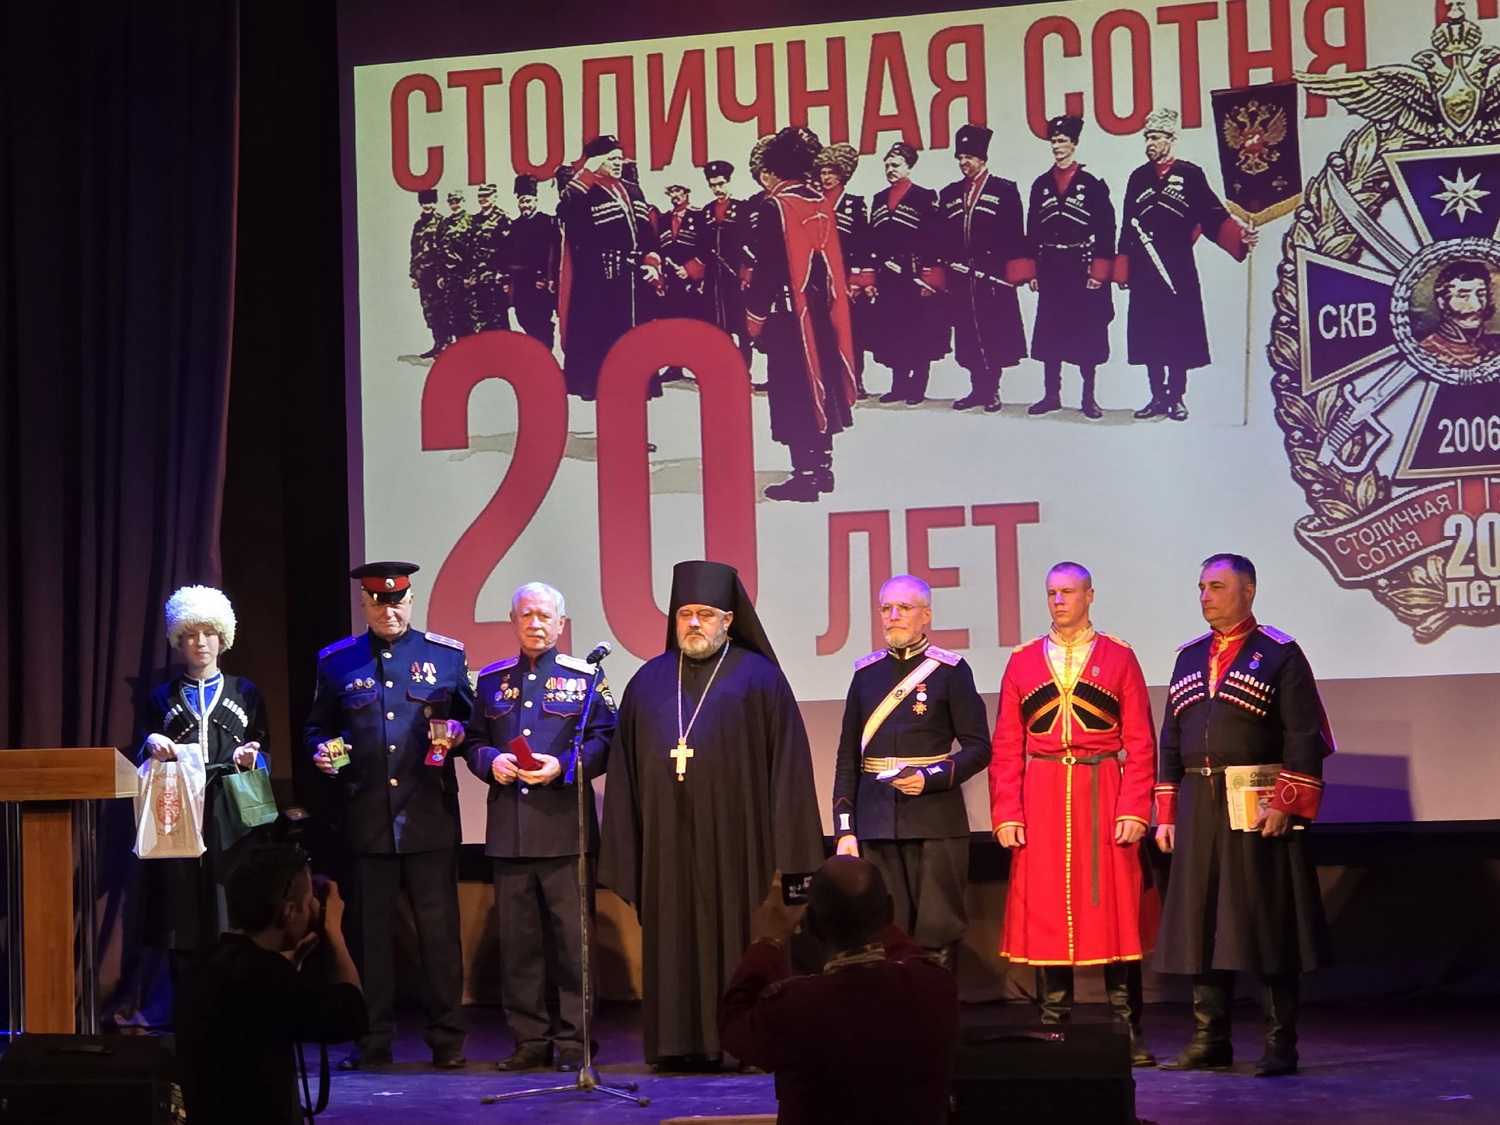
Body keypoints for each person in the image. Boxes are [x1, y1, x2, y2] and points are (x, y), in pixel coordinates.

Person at [598, 559, 823, 1069]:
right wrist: (628, 848)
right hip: (667, 845)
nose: (694, 623)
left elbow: (788, 768)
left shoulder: (760, 678)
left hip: (741, 848)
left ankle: (745, 1044)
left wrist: (791, 858)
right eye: (685, 614)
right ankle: (678, 1045)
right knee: (673, 943)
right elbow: (625, 773)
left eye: (704, 614)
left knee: (741, 939)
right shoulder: (647, 682)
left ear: (728, 619)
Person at [1154, 554, 1334, 1077]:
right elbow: (1171, 739)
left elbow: (1304, 734)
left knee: (1267, 920)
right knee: (1202, 920)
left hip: (1258, 802)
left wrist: (1287, 801)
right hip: (1199, 803)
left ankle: (1280, 1043)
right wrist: (1167, 812)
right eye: (1201, 587)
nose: (1205, 596)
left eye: (1216, 586)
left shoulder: (1279, 653)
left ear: (1248, 590)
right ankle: (1211, 1039)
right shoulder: (1189, 657)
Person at [304, 561, 475, 1070]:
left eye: (397, 602)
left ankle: (447, 1040)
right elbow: (317, 729)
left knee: (439, 938)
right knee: (370, 939)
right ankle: (373, 1039)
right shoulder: (338, 661)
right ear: (364, 604)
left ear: (411, 600)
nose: (389, 612)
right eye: (378, 604)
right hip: (367, 817)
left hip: (428, 816)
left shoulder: (445, 656)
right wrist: (321, 752)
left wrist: (459, 734)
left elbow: (473, 723)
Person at [989, 562, 1157, 1066]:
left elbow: (1141, 742)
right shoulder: (1022, 661)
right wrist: (1007, 812)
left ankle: (1127, 1030)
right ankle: (1054, 1029)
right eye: (1052, 593)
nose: (1058, 600)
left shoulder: (1119, 657)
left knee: (1114, 910)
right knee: (1045, 911)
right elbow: (1006, 744)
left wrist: (1135, 807)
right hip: (1040, 794)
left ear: (1089, 596)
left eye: (1067, 592)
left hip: (1101, 788)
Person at [463, 582, 616, 1072]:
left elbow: (606, 741)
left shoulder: (585, 677)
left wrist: (563, 766)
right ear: (513, 621)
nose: (535, 624)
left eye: (545, 616)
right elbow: (472, 741)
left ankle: (575, 1042)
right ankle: (529, 1040)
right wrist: (491, 761)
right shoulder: (491, 680)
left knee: (574, 947)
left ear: (561, 623)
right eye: (526, 615)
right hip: (509, 833)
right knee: (519, 948)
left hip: (566, 832)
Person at [719, 858, 960, 1125]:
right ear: (890, 911)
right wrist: (865, 907)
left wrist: (768, 940)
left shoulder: (793, 1008)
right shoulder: (935, 987)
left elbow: (733, 1023)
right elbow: (908, 952)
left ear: (811, 925)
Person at [830, 575, 990, 967]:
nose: (893, 616)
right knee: (886, 935)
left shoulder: (951, 671)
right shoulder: (865, 674)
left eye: (904, 607)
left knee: (938, 934)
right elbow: (848, 758)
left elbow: (979, 748)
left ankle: (936, 1007)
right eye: (886, 608)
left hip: (936, 821)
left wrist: (929, 778)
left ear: (926, 615)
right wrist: (845, 829)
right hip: (876, 821)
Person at [176, 842, 366, 1125]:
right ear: (289, 912)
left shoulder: (201, 965)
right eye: (309, 901)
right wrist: (335, 934)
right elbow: (350, 1017)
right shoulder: (266, 976)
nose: (313, 909)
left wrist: (293, 962)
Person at [137, 586, 271, 977]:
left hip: (231, 809)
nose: (200, 642)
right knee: (180, 904)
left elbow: (264, 745)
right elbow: (142, 750)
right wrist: (151, 744)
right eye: (192, 634)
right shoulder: (161, 697)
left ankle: (234, 992)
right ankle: (186, 998)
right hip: (178, 805)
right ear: (179, 640)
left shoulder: (246, 691)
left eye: (209, 633)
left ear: (222, 638)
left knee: (229, 897)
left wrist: (252, 758)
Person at [1116, 108, 1256, 421]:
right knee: (1149, 333)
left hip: (1178, 266)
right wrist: (1123, 268)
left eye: (1156, 138)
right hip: (1144, 268)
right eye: (1147, 138)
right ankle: (1156, 396)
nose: (1150, 143)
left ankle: (1176, 396)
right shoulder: (1138, 178)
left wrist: (1241, 236)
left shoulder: (1191, 175)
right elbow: (1127, 225)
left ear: (1170, 139)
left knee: (1178, 332)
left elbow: (1212, 215)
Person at [743, 126, 858, 503]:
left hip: (789, 318)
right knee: (822, 387)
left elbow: (768, 271)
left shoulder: (774, 205)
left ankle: (804, 477)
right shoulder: (819, 200)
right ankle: (823, 468)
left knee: (793, 392)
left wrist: (754, 318)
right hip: (821, 313)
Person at [1024, 116, 1117, 419]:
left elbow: (1107, 228)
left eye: (1062, 141)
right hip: (1051, 267)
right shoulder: (1041, 184)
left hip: (1082, 266)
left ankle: (1088, 397)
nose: (1057, 146)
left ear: (1074, 144)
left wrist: (1099, 271)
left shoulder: (1092, 184)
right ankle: (1051, 395)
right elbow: (1032, 229)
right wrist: (1032, 270)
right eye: (1053, 141)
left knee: (1087, 332)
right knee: (1051, 331)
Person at [557, 135, 663, 399]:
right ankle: (608, 403)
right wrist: (586, 173)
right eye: (611, 159)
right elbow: (565, 211)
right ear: (596, 161)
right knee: (604, 347)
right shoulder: (584, 191)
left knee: (637, 343)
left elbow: (647, 232)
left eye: (619, 158)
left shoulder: (633, 190)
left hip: (634, 282)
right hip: (599, 285)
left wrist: (651, 262)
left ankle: (637, 400)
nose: (618, 163)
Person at [937, 124, 1027, 412]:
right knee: (967, 333)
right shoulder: (950, 193)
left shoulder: (1004, 190)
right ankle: (977, 389)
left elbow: (1015, 234)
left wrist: (1015, 273)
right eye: (960, 158)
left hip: (992, 276)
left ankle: (992, 390)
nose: (964, 163)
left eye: (969, 157)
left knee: (992, 332)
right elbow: (942, 237)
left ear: (982, 158)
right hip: (961, 277)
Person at [866, 142, 949, 405]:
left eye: (896, 165)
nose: (890, 170)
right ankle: (898, 384)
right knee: (894, 330)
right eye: (887, 166)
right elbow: (873, 242)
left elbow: (935, 239)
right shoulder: (879, 199)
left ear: (909, 166)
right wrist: (873, 277)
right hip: (889, 279)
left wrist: (929, 277)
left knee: (919, 332)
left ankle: (918, 386)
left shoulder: (924, 197)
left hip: (914, 276)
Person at [813, 142, 875, 400]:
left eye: (831, 172)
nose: (826, 177)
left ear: (842, 174)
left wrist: (858, 279)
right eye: (823, 172)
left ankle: (855, 379)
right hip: (820, 277)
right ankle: (827, 379)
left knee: (851, 331)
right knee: (822, 330)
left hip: (846, 277)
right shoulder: (814, 203)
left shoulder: (854, 204)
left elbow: (863, 244)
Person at [699, 160, 752, 366]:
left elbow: (751, 242)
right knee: (717, 322)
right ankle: (722, 365)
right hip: (714, 278)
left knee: (740, 323)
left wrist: (747, 270)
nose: (717, 189)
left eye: (721, 184)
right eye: (712, 185)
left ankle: (744, 367)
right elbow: (700, 246)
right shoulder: (706, 211)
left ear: (728, 182)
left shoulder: (743, 209)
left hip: (735, 275)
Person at [506, 175, 560, 349]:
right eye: (522, 201)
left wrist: (546, 277)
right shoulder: (515, 225)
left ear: (536, 201)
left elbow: (553, 253)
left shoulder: (547, 222)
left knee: (542, 323)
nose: (525, 205)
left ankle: (546, 354)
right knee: (523, 318)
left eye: (529, 201)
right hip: (521, 283)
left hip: (539, 283)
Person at [1417, 259, 1500, 367]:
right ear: (1442, 302)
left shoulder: (1496, 345)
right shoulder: (1426, 352)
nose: (1477, 306)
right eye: (1463, 296)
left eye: (1481, 294)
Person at [651, 183, 708, 324]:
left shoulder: (699, 215)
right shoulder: (663, 219)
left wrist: (690, 270)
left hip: (693, 281)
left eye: (678, 190)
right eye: (671, 191)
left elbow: (707, 247)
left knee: (694, 320)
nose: (674, 195)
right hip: (670, 281)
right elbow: (659, 248)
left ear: (686, 191)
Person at [467, 182, 512, 333]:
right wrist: (470, 275)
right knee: (480, 319)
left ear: (495, 197)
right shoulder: (474, 220)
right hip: (478, 279)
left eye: (487, 195)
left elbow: (508, 249)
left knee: (499, 319)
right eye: (480, 196)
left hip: (495, 278)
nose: (483, 199)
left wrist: (503, 273)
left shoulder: (502, 218)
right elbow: (470, 249)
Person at [409, 188, 446, 358]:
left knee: (442, 310)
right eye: (424, 203)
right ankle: (437, 343)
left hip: (437, 277)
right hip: (423, 277)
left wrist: (442, 274)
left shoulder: (441, 222)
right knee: (429, 312)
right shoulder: (418, 225)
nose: (428, 205)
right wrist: (413, 275)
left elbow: (445, 251)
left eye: (430, 202)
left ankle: (446, 344)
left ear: (435, 203)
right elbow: (414, 250)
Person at [436, 188, 475, 343]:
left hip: (465, 277)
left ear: (463, 201)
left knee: (469, 314)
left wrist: (469, 275)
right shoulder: (444, 224)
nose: (454, 205)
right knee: (453, 313)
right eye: (451, 202)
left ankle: (471, 347)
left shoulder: (471, 221)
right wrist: (440, 275)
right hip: (450, 277)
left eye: (457, 201)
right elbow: (440, 251)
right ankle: (459, 346)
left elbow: (473, 251)